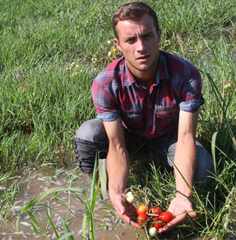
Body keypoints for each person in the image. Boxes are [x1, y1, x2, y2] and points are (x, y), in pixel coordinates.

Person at [74, 1, 214, 233]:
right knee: (88, 135)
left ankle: (182, 204)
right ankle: (101, 192)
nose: (141, 47)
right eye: (131, 40)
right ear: (118, 45)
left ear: (158, 36)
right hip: (128, 136)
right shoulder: (105, 83)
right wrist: (117, 191)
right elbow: (117, 146)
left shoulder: (186, 74)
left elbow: (187, 136)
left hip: (169, 137)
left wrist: (181, 194)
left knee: (204, 170)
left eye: (147, 36)